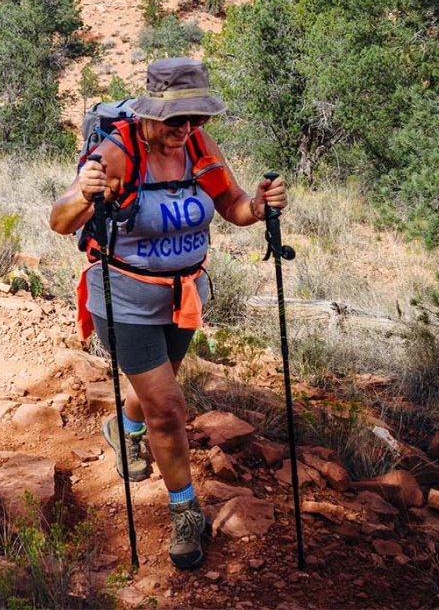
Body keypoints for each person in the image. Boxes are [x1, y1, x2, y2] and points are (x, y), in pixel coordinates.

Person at [49, 57, 287, 570]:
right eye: (177, 120)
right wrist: (87, 193)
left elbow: (234, 206)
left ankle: (124, 429)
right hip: (125, 298)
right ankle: (185, 513)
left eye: (196, 120)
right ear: (150, 113)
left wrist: (262, 206)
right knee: (169, 407)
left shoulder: (198, 147)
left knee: (153, 396)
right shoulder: (115, 153)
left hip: (183, 296)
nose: (186, 130)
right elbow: (61, 220)